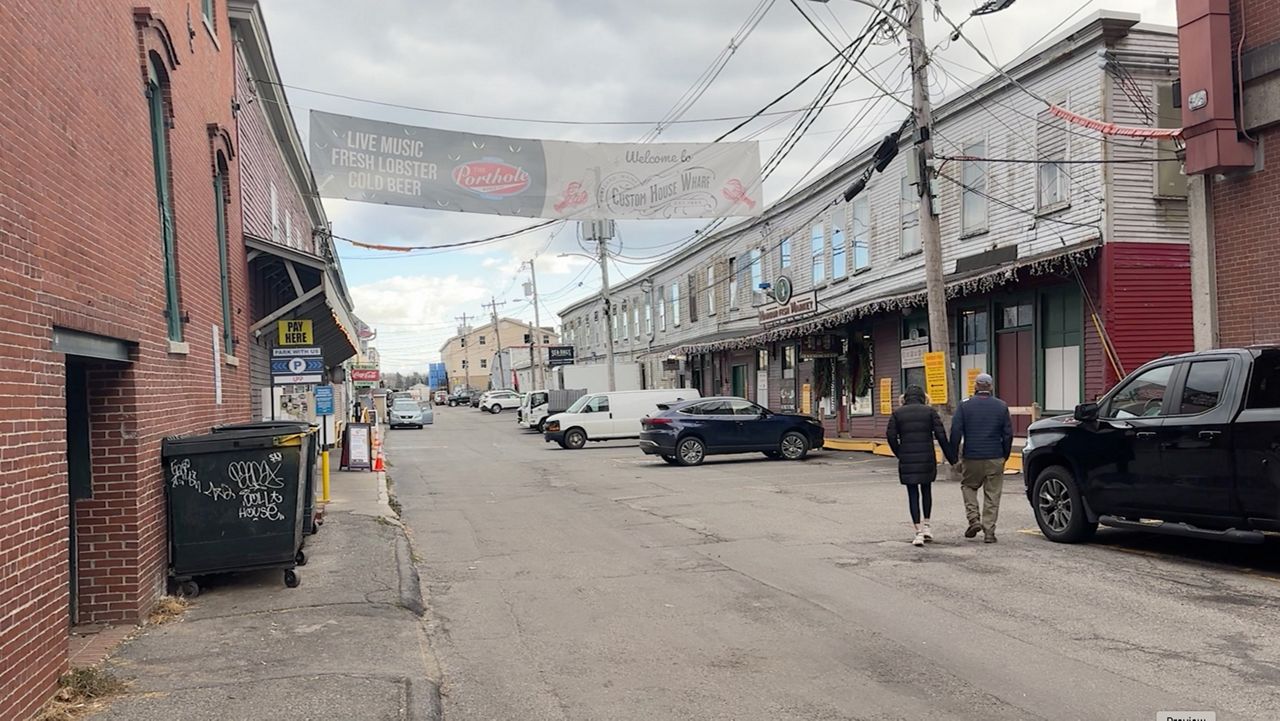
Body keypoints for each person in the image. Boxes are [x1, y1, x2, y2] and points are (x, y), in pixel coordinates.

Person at [886, 385, 957, 547]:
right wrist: (952, 458)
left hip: (907, 458)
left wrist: (900, 453)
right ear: (923, 397)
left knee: (912, 494)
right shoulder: (930, 412)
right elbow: (941, 435)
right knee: (926, 491)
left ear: (905, 398)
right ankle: (927, 526)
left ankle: (917, 531)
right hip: (927, 458)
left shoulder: (897, 414)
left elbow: (890, 436)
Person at [950, 373, 1014, 543]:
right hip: (995, 455)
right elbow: (1008, 434)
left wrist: (953, 455)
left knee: (969, 486)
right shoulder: (1001, 406)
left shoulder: (965, 406)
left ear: (976, 386)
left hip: (972, 456)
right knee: (993, 494)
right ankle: (989, 532)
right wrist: (1004, 455)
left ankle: (973, 519)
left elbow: (955, 432)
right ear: (991, 387)